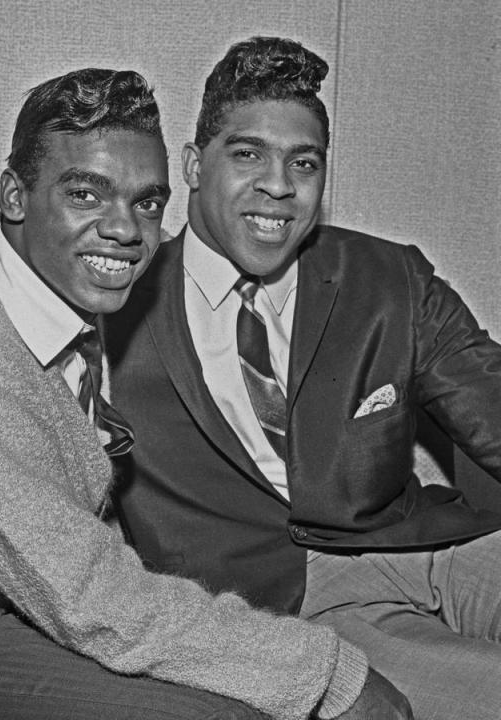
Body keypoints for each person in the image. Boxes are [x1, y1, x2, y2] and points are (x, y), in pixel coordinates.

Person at [0, 68, 411, 720]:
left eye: (147, 202)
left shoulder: (50, 295)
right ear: (14, 195)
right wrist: (327, 671)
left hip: (31, 597)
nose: (126, 230)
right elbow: (87, 596)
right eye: (87, 195)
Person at [104, 35, 501, 720]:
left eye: (303, 162)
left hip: (430, 544)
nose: (280, 186)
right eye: (249, 154)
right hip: (287, 608)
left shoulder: (389, 279)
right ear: (195, 166)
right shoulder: (115, 305)